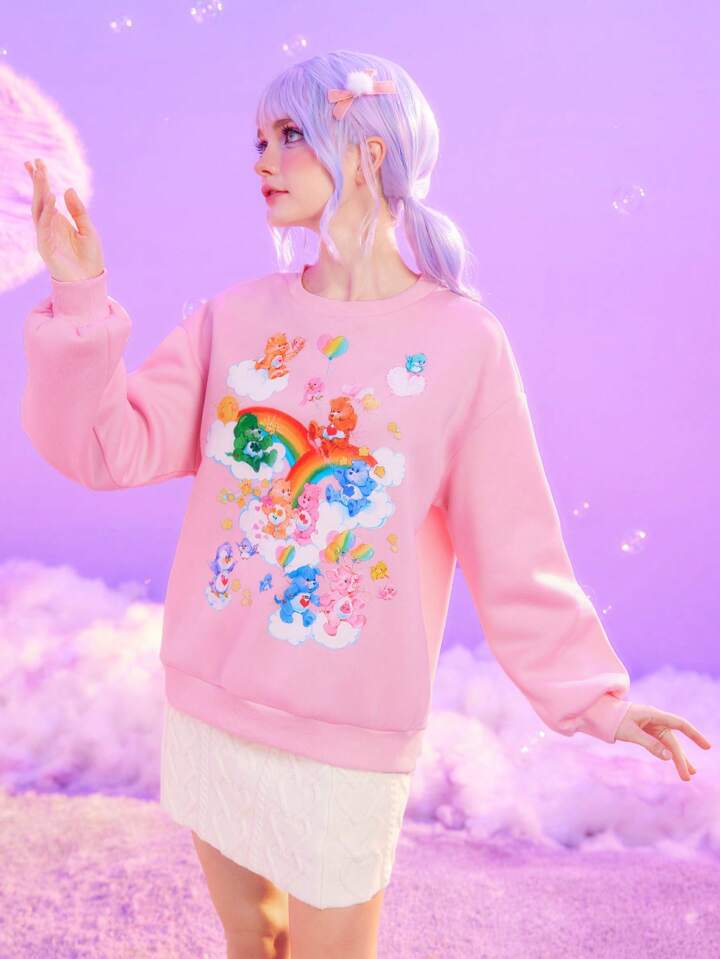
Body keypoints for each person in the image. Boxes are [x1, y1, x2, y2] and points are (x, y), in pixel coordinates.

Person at [21, 49, 711, 959]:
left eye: (290, 135)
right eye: (258, 140)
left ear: (369, 151)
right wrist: (78, 291)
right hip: (212, 707)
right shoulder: (235, 319)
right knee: (252, 937)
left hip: (349, 734)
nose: (263, 160)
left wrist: (598, 701)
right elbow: (107, 446)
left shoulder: (462, 343)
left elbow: (515, 546)